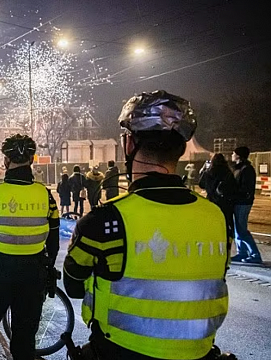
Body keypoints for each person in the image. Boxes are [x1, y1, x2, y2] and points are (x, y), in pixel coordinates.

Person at [63, 91, 231, 360]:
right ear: (182, 148)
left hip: (120, 351)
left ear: (129, 144)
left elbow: (72, 286)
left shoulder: (105, 221)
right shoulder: (217, 216)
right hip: (201, 353)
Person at [0, 134, 60, 360]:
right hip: (32, 276)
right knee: (24, 343)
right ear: (32, 160)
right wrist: (47, 268)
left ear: (6, 161)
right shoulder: (46, 196)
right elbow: (52, 242)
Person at [230, 146, 262, 263]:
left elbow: (245, 188)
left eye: (234, 153)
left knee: (242, 229)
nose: (232, 155)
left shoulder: (246, 169)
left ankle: (255, 255)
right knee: (238, 229)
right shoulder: (239, 168)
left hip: (243, 202)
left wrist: (233, 192)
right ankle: (242, 252)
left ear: (238, 155)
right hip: (238, 201)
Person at [199, 153, 236, 235]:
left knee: (212, 223)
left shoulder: (208, 172)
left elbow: (201, 184)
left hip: (211, 201)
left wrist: (203, 170)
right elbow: (233, 187)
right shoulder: (228, 172)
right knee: (226, 223)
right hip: (225, 202)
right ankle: (226, 244)